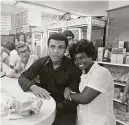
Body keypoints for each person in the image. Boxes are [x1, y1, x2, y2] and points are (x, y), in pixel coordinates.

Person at [18, 33, 81, 125]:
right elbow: (23, 77)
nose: (55, 51)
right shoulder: (41, 62)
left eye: (60, 47)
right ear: (48, 47)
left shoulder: (73, 67)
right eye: (52, 47)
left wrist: (55, 109)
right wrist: (33, 87)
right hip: (44, 105)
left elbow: (74, 97)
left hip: (65, 111)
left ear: (65, 49)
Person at [66, 39, 116, 125]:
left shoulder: (101, 72)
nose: (78, 62)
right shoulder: (84, 73)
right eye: (75, 59)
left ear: (90, 56)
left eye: (81, 57)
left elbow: (84, 98)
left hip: (100, 122)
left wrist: (68, 94)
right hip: (83, 120)